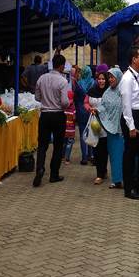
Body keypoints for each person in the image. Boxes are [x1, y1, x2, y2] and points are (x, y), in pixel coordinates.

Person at [119, 47, 139, 200]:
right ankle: (129, 188)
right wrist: (131, 126)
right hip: (131, 116)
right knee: (130, 154)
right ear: (134, 59)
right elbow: (126, 104)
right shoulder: (127, 78)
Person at [33, 54, 69, 187]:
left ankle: (40, 168)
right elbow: (65, 102)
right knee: (58, 145)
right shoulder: (63, 81)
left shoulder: (42, 78)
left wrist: (46, 99)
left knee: (42, 144)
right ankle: (54, 174)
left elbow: (37, 97)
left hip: (45, 115)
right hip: (58, 115)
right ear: (61, 66)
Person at [97, 68, 125, 190]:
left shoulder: (123, 91)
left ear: (118, 77)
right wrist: (97, 110)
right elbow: (103, 106)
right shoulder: (107, 92)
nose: (110, 79)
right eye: (110, 77)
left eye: (112, 77)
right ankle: (116, 180)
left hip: (123, 129)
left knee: (123, 155)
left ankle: (125, 179)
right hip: (111, 130)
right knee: (114, 156)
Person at [86, 71, 109, 184]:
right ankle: (99, 173)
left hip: (106, 124)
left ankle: (103, 171)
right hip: (94, 122)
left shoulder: (110, 92)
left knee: (104, 149)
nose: (101, 81)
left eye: (103, 79)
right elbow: (86, 102)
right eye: (99, 79)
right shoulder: (92, 90)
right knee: (95, 147)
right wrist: (89, 109)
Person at [74, 65, 94, 165]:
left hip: (81, 112)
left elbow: (75, 99)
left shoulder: (78, 85)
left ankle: (84, 157)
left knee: (82, 134)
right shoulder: (93, 83)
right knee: (91, 132)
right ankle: (91, 155)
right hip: (90, 111)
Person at [63, 91, 76, 165]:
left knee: (63, 143)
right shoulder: (73, 107)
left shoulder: (63, 107)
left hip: (64, 128)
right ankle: (67, 159)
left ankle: (62, 156)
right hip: (71, 129)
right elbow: (74, 118)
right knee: (69, 143)